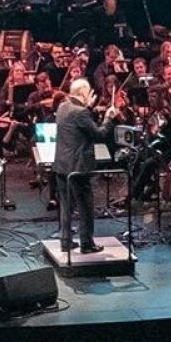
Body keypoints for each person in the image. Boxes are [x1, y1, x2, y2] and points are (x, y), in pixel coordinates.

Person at [53, 78, 119, 253]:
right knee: (86, 206)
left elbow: (78, 124)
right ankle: (87, 243)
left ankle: (65, 241)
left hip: (61, 164)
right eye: (88, 92)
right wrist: (108, 118)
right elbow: (99, 135)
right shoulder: (80, 113)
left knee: (66, 205)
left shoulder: (62, 107)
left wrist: (88, 107)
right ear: (83, 93)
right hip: (78, 167)